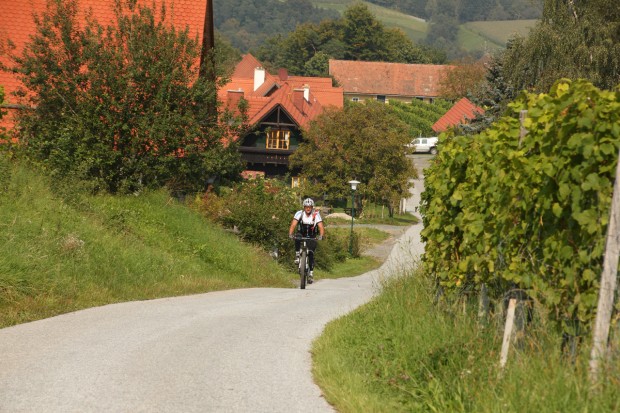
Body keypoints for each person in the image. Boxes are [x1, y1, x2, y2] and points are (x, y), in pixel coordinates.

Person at [288, 198, 325, 284]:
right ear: (304, 207)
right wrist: (290, 234)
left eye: (310, 207)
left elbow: (321, 227)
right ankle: (297, 254)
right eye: (306, 207)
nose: (308, 209)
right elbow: (293, 225)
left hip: (312, 236)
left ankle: (311, 273)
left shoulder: (316, 215)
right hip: (301, 234)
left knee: (311, 253)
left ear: (312, 207)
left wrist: (321, 236)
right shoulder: (299, 213)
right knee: (297, 237)